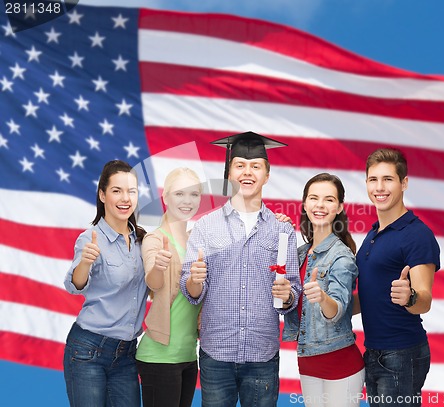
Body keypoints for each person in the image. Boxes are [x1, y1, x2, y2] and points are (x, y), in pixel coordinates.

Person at [180, 131, 301, 407]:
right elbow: (191, 289)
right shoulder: (206, 226)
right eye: (240, 165)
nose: (248, 172)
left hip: (262, 356)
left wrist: (288, 295)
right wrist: (195, 281)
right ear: (229, 172)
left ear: (267, 175)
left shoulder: (281, 229)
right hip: (216, 354)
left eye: (256, 166)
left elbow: (291, 292)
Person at [355, 148, 440, 407]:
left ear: (404, 183)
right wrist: (331, 306)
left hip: (402, 354)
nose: (379, 187)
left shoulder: (416, 235)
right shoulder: (373, 233)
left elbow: (424, 300)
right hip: (374, 352)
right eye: (373, 179)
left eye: (388, 179)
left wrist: (410, 296)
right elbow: (372, 295)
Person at [63, 160, 148, 407]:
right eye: (116, 190)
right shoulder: (90, 239)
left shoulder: (142, 239)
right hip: (88, 351)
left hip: (126, 355)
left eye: (131, 191)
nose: (125, 198)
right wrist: (85, 264)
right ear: (102, 195)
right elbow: (75, 285)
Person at [283, 173, 365, 407]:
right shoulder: (299, 254)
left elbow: (337, 310)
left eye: (329, 199)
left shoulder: (341, 256)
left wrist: (322, 297)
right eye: (314, 198)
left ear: (339, 207)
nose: (320, 205)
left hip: (340, 364)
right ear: (305, 204)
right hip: (308, 361)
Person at [135, 167, 203, 407]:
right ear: (165, 197)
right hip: (159, 356)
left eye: (194, 195)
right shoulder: (155, 239)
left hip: (188, 355)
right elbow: (152, 283)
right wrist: (158, 267)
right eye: (179, 194)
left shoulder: (199, 239)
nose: (187, 201)